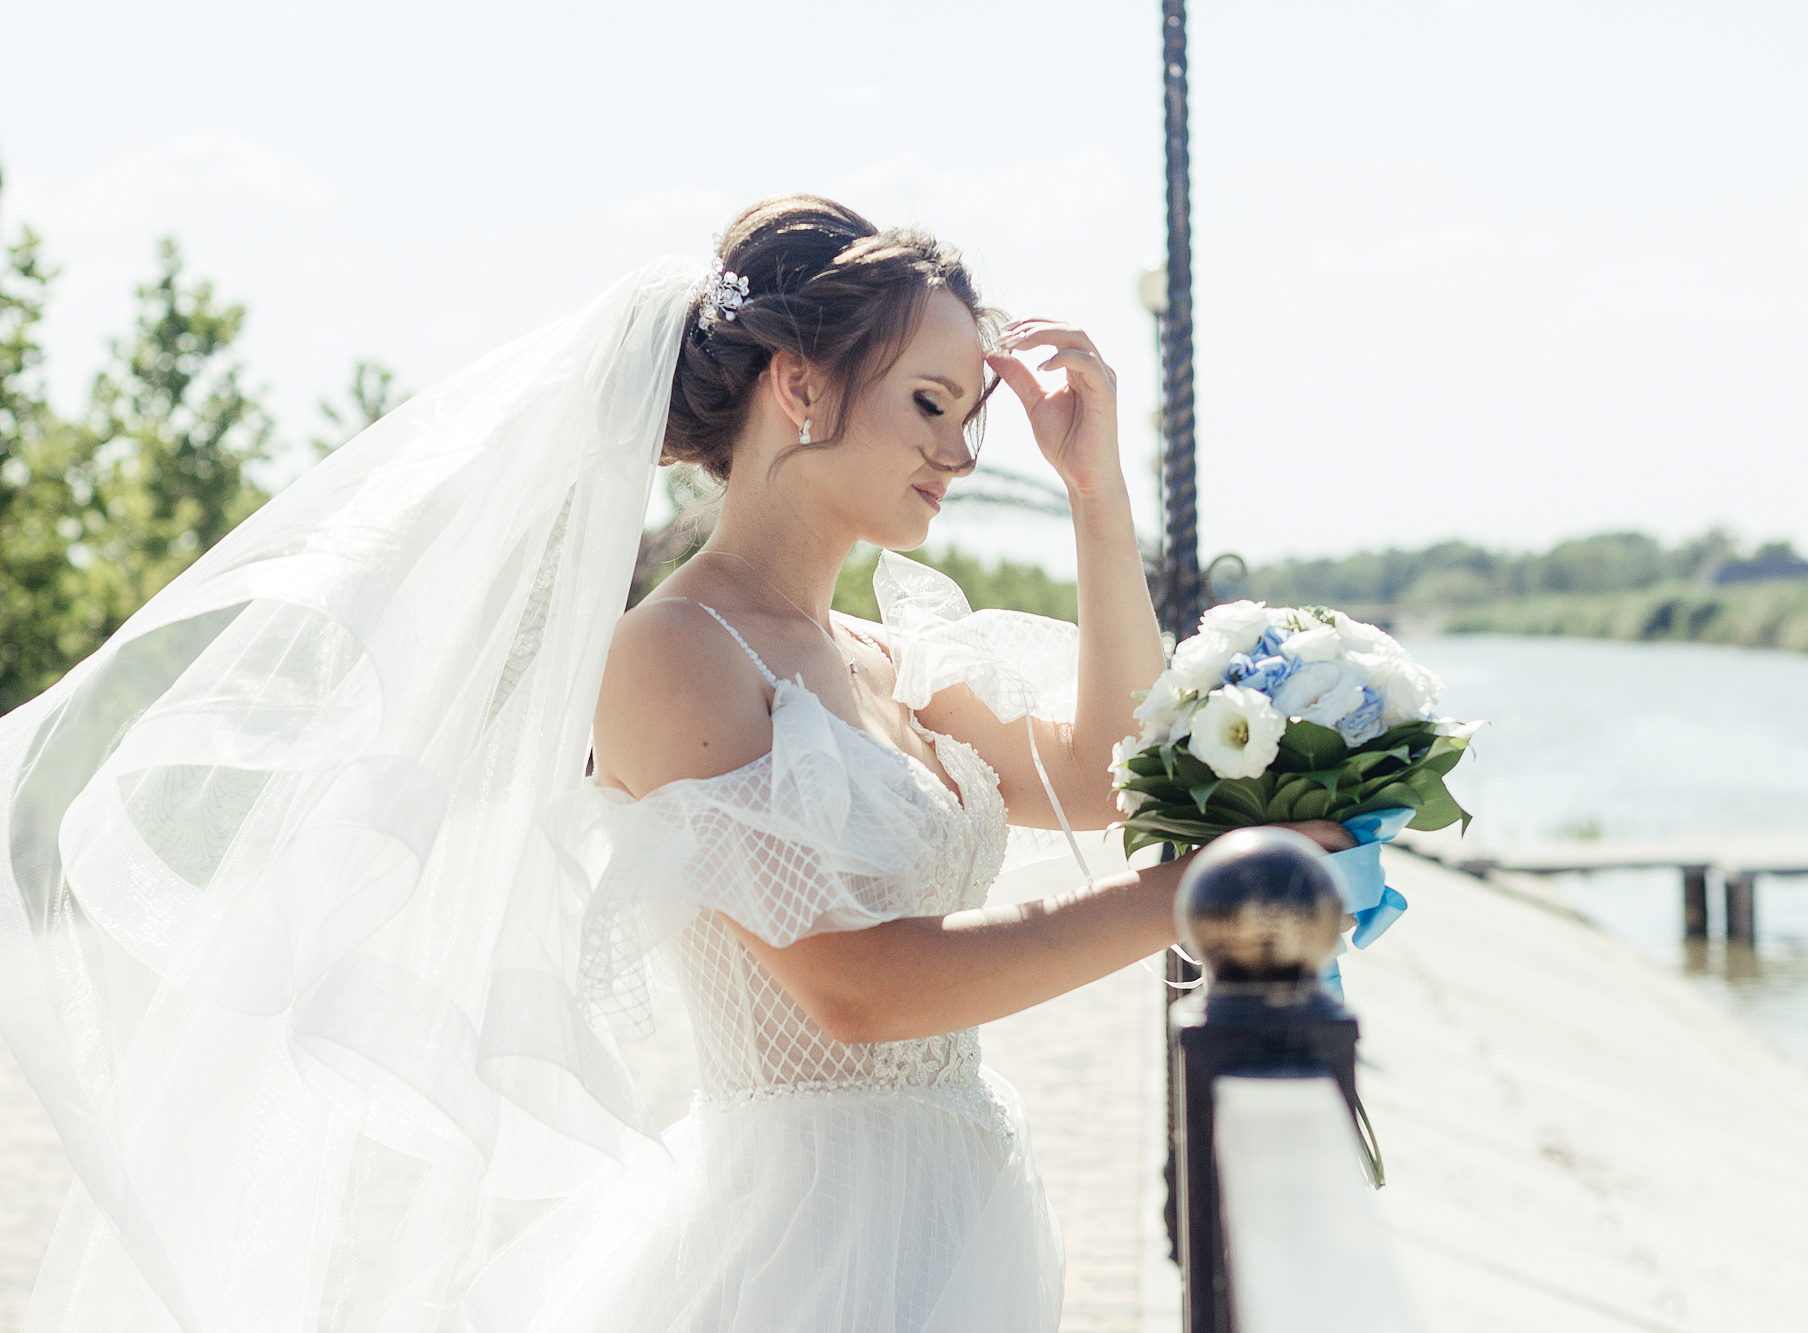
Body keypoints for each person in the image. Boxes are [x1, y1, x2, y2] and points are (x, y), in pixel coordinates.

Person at [0, 192, 1348, 1332]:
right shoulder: (672, 656)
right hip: (804, 1247)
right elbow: (857, 986)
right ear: (800, 383)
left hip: (962, 1207)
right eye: (932, 402)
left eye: (973, 413)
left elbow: (1108, 777)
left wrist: (1095, 493)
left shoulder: (886, 656)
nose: (960, 448)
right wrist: (1201, 894)